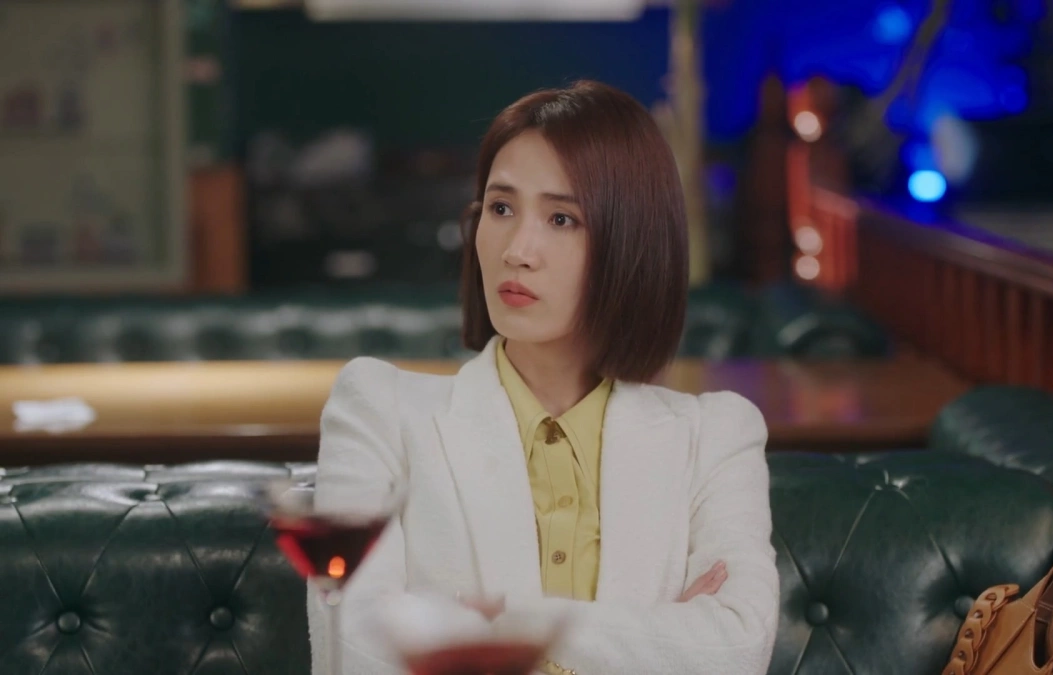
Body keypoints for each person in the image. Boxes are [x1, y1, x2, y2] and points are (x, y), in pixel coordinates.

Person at [309, 80, 779, 675]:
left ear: (631, 242)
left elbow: (737, 649)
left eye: (561, 218)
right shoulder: (378, 411)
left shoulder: (715, 436)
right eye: (501, 209)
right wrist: (657, 637)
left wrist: (505, 623)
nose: (518, 250)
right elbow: (355, 650)